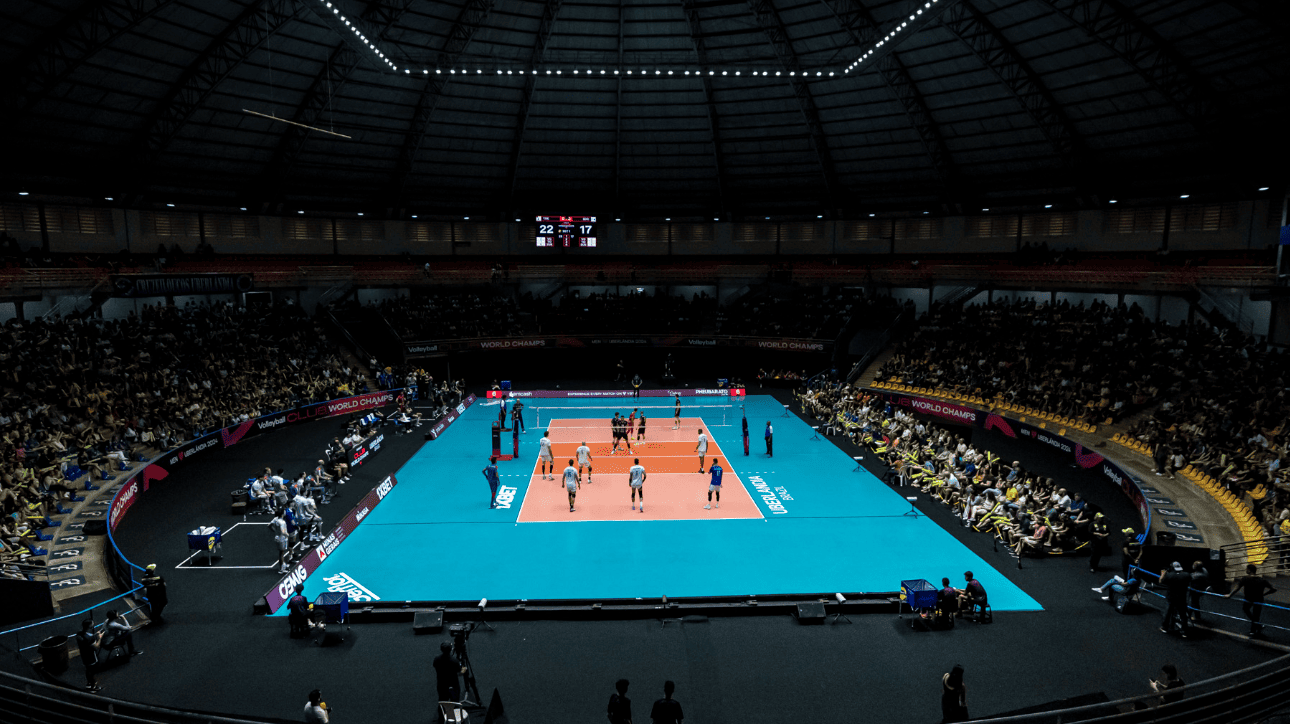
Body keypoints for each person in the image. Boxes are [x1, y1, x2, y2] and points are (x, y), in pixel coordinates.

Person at [1226, 564, 1276, 637]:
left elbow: (1237, 587)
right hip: (1259, 599)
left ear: (1249, 570)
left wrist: (1229, 595)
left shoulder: (1245, 579)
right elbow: (1273, 589)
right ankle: (1254, 630)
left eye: (1246, 569)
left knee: (1246, 609)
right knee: (1256, 615)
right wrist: (1264, 594)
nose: (1246, 570)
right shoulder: (1262, 580)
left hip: (1248, 599)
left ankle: (1257, 627)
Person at [1159, 561, 1192, 637]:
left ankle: (1164, 627)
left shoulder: (1170, 575)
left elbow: (1161, 581)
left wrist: (1163, 574)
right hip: (1182, 597)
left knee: (1167, 612)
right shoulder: (1186, 575)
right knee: (1183, 614)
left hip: (1171, 597)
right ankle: (1184, 631)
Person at [75, 618, 103, 691]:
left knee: (88, 669)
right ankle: (94, 686)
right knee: (92, 671)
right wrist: (100, 638)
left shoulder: (79, 634)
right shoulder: (90, 637)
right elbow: (96, 646)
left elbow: (86, 639)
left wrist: (95, 634)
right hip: (91, 656)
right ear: (90, 626)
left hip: (84, 655)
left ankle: (89, 683)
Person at [271, 509, 290, 574]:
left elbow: (269, 525)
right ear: (282, 514)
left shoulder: (275, 519)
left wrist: (275, 531)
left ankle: (283, 564)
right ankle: (282, 569)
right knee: (282, 553)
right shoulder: (282, 522)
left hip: (277, 537)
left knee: (281, 552)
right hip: (282, 538)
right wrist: (287, 535)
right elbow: (283, 531)